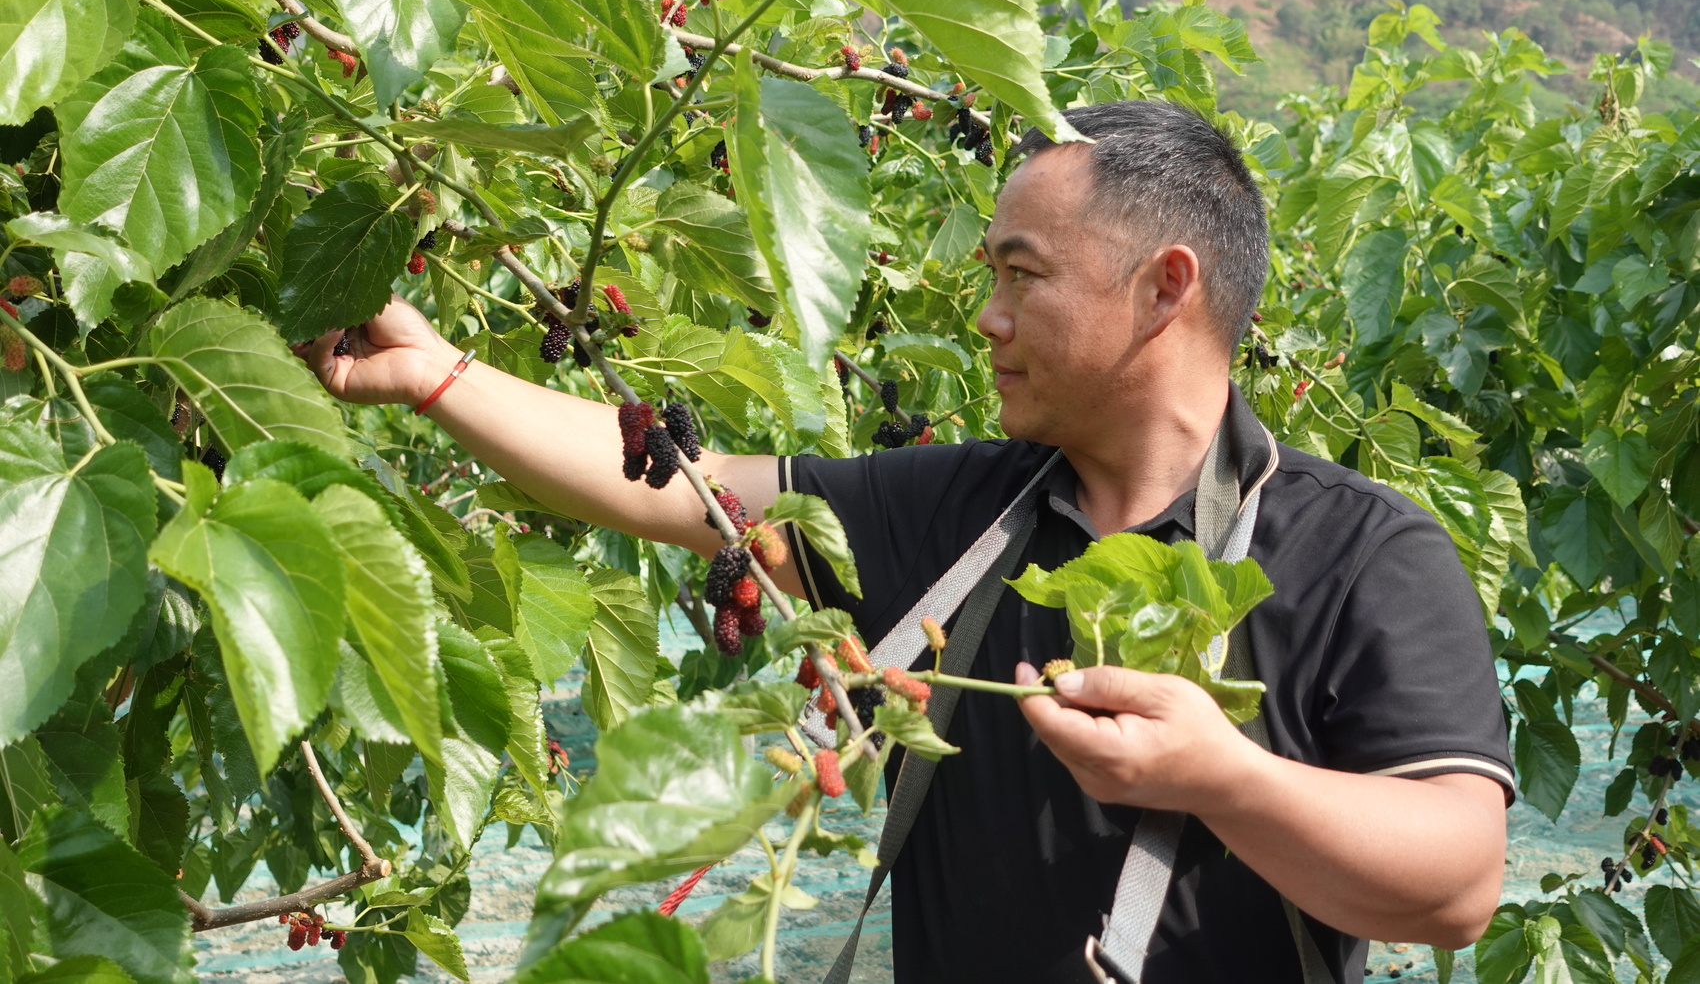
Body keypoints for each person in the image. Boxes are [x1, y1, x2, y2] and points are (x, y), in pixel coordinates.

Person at [299, 99, 1511, 984]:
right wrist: (437, 377)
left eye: (1020, 274)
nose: (985, 315)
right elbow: (688, 492)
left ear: (1163, 286)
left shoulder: (1363, 556)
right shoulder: (965, 513)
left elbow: (1455, 882)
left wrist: (1217, 773)